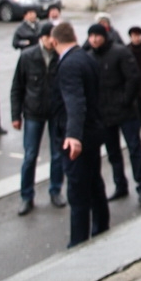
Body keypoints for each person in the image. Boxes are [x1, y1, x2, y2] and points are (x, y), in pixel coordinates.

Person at [50, 22, 109, 248]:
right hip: (93, 133)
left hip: (78, 138)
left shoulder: (69, 64)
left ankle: (79, 240)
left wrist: (73, 135)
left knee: (78, 192)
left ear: (54, 41)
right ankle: (101, 227)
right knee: (94, 184)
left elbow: (75, 101)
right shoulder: (86, 57)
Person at [86, 23, 141, 206]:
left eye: (97, 36)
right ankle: (120, 185)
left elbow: (133, 77)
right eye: (91, 36)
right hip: (105, 114)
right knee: (113, 153)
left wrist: (125, 100)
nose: (94, 40)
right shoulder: (89, 57)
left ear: (104, 36)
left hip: (126, 112)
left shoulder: (120, 52)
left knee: (134, 149)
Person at [10, 21, 66, 216]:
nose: (53, 41)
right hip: (33, 112)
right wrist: (16, 116)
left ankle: (56, 190)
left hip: (55, 112)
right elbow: (17, 87)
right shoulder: (28, 56)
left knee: (57, 154)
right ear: (43, 37)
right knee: (30, 155)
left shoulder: (60, 56)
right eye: (51, 37)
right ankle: (26, 196)